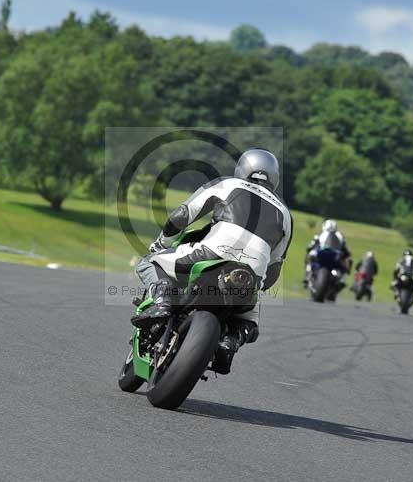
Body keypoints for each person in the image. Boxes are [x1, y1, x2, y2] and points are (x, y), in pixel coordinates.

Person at [131, 149, 292, 374]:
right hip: (249, 277)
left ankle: (162, 301)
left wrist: (161, 244)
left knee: (150, 262)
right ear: (274, 178)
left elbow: (183, 215)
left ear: (242, 168)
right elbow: (274, 268)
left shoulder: (227, 184)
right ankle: (230, 342)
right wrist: (258, 286)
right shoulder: (285, 214)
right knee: (249, 323)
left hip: (209, 255)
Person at [303, 219, 352, 287]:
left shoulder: (320, 235)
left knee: (310, 258)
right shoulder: (340, 236)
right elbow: (347, 251)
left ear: (325, 226)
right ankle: (342, 280)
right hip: (335, 258)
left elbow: (310, 246)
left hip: (322, 256)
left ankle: (307, 276)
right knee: (345, 265)